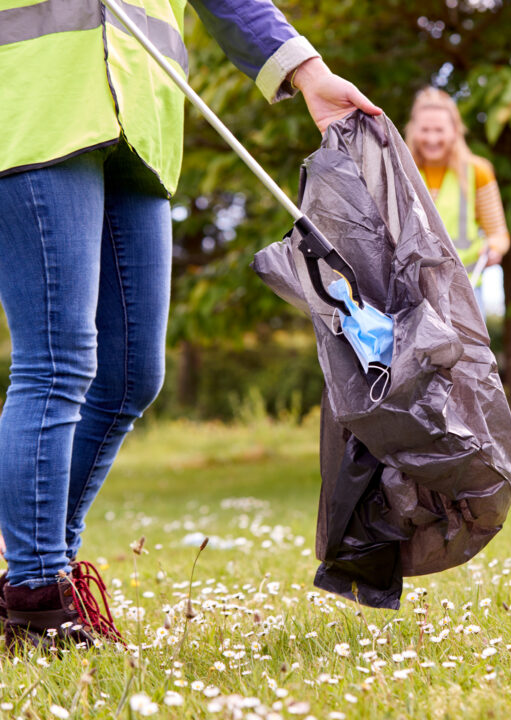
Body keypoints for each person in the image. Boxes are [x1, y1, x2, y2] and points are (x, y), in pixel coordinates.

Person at [0, 0, 379, 649]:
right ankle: (37, 595)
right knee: (59, 361)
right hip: (36, 105)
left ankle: (34, 582)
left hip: (143, 120)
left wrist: (306, 71)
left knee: (130, 375)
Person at [404, 88, 511, 302]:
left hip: (464, 289)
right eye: (425, 130)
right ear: (413, 130)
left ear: (454, 130)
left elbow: (498, 233)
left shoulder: (478, 172)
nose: (432, 138)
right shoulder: (401, 171)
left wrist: (495, 248)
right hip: (412, 291)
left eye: (439, 130)